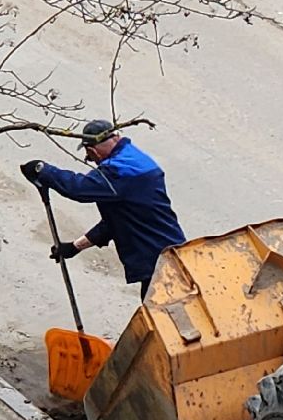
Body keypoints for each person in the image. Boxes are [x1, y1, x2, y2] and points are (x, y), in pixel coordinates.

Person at [20, 121, 187, 298]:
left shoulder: (120, 170)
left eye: (89, 156)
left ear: (92, 151)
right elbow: (117, 220)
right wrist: (76, 247)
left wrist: (44, 171)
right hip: (171, 256)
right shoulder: (133, 159)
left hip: (160, 264)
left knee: (164, 320)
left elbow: (78, 189)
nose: (91, 160)